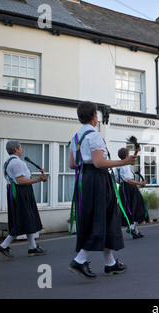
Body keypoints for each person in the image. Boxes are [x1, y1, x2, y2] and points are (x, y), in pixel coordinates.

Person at [68, 101, 136, 279]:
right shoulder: (94, 135)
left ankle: (110, 263)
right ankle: (80, 260)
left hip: (84, 180)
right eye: (96, 115)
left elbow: (71, 164)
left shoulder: (76, 137)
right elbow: (99, 163)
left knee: (101, 219)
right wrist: (124, 162)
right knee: (100, 218)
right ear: (93, 117)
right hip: (98, 180)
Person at [0, 141, 47, 259]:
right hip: (20, 192)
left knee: (28, 218)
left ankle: (33, 248)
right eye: (21, 148)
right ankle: (3, 246)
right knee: (23, 219)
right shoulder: (17, 162)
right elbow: (20, 180)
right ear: (16, 149)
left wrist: (36, 178)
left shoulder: (8, 162)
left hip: (16, 191)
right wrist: (38, 179)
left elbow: (21, 178)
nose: (22, 150)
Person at [114, 148, 147, 239]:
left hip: (123, 189)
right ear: (127, 156)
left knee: (131, 209)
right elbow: (128, 180)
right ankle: (132, 227)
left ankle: (135, 231)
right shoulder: (125, 166)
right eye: (129, 154)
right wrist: (140, 183)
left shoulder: (118, 165)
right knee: (138, 207)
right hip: (130, 189)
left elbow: (117, 180)